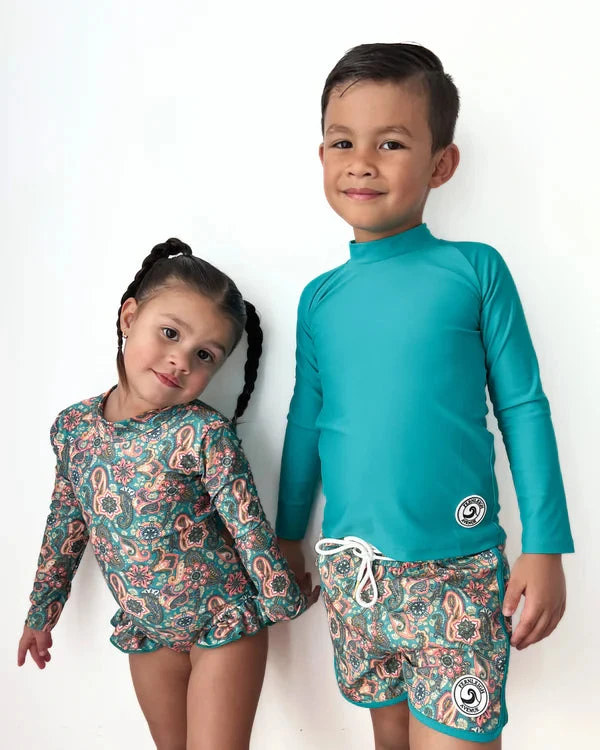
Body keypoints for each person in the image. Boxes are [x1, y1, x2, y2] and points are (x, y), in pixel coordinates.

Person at [276, 43, 574, 749]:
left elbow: (523, 407)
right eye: (343, 142)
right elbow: (306, 423)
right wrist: (287, 538)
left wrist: (546, 546)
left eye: (391, 143)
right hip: (355, 577)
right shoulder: (319, 299)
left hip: (457, 573)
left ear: (441, 164)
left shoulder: (475, 270)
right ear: (321, 156)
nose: (361, 162)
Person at [18, 237, 315, 750]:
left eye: (204, 355)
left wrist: (282, 597)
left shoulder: (204, 433)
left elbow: (247, 527)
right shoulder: (73, 429)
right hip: (147, 631)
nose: (180, 360)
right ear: (129, 317)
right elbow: (65, 525)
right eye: (170, 333)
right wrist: (41, 612)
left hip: (225, 621)